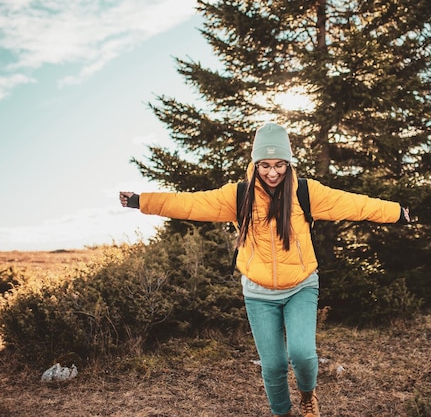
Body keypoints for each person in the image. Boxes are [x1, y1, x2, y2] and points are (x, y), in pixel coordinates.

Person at [119, 122, 411, 417]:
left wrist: (397, 212)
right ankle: (281, 413)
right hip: (258, 293)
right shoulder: (239, 196)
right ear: (255, 164)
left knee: (302, 355)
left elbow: (355, 204)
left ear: (289, 163)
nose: (273, 173)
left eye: (280, 165)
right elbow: (190, 204)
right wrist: (140, 201)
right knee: (272, 366)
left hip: (301, 286)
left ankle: (308, 396)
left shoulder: (307, 193)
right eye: (265, 166)